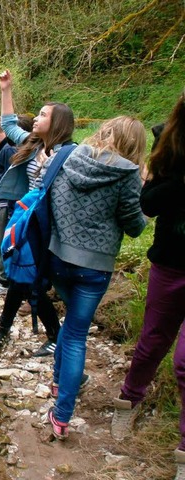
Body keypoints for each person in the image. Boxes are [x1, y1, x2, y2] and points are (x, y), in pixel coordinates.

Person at [44, 115, 148, 441]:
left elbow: (50, 199)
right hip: (95, 267)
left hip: (57, 257)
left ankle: (59, 381)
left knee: (69, 329)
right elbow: (134, 226)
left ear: (103, 130)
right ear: (134, 145)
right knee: (76, 334)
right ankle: (61, 416)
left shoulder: (69, 155)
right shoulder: (128, 173)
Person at [111, 94, 185, 476]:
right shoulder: (169, 141)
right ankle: (129, 400)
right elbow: (149, 202)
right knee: (152, 342)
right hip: (171, 262)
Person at [0, 69, 75, 357]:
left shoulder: (71, 154)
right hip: (27, 220)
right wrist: (5, 89)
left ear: (57, 124)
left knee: (26, 278)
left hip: (48, 227)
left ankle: (47, 335)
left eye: (42, 115)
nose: (35, 118)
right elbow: (9, 124)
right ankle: (17, 332)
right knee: (20, 276)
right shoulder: (34, 144)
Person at [0, 115, 33, 296]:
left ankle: (4, 280)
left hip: (5, 202)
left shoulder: (8, 150)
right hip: (10, 202)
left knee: (1, 242)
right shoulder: (14, 150)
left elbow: (7, 178)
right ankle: (4, 277)